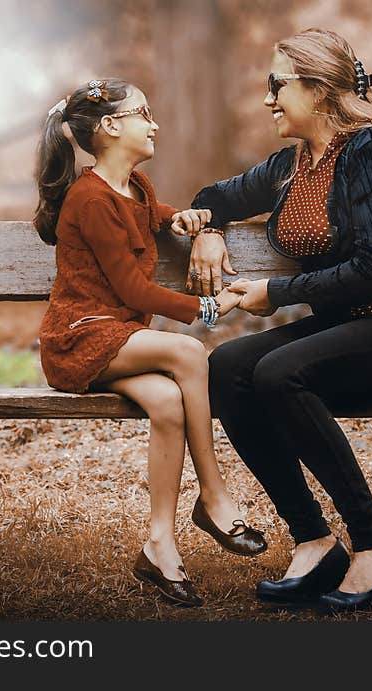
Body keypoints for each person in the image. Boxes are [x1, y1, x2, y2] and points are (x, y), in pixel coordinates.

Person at [186, 29, 372, 612]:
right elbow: (214, 193)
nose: (267, 99)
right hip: (352, 325)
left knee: (280, 372)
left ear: (316, 90)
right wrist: (209, 230)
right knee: (230, 366)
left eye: (276, 84)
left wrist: (276, 291)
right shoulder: (293, 165)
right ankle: (314, 540)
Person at [33, 79, 267, 607]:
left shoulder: (135, 187)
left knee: (166, 402)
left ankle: (158, 545)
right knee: (187, 352)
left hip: (118, 337)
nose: (154, 122)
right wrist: (214, 306)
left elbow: (155, 218)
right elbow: (134, 290)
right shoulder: (88, 198)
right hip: (79, 338)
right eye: (143, 113)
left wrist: (193, 222)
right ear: (111, 128)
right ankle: (213, 495)